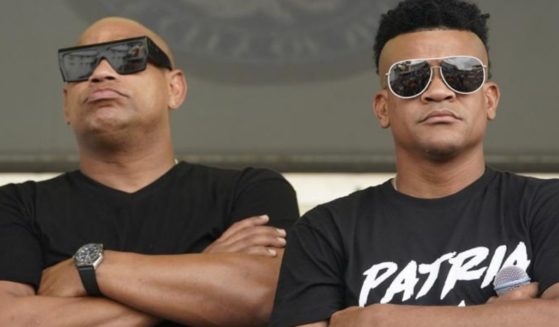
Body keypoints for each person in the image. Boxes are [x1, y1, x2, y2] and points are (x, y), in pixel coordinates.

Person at [270, 0, 559, 326]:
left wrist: (381, 320)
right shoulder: (326, 229)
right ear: (383, 108)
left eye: (462, 73)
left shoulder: (547, 206)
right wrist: (504, 319)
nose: (438, 91)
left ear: (489, 99)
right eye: (410, 77)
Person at [0, 17, 299, 326]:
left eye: (128, 57)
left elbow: (263, 297)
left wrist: (88, 268)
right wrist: (200, 274)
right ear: (66, 105)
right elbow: (10, 320)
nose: (101, 73)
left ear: (175, 88)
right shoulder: (16, 206)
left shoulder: (251, 190)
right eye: (81, 64)